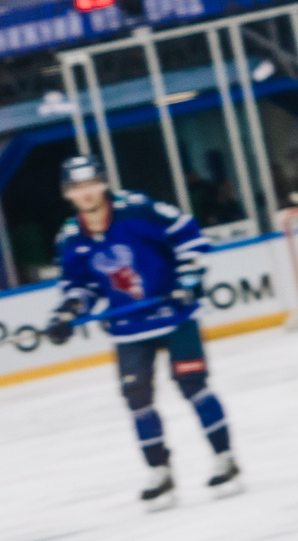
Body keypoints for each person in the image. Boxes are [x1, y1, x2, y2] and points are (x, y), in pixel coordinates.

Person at [43, 156, 237, 509]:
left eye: (90, 184)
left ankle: (225, 458)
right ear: (67, 194)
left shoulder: (138, 210)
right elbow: (80, 287)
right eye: (77, 188)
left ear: (103, 184)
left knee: (192, 385)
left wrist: (188, 281)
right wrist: (66, 313)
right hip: (129, 327)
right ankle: (159, 472)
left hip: (175, 314)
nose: (85, 193)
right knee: (137, 399)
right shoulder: (70, 238)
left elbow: (189, 235)